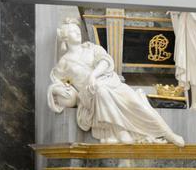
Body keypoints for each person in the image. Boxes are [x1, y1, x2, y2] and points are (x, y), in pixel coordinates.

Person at [47, 19, 185, 146]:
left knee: (136, 102)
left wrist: (94, 75)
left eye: (77, 30)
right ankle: (120, 131)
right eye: (72, 31)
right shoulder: (64, 63)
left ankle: (167, 133)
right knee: (101, 91)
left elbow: (105, 61)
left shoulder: (91, 48)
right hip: (90, 94)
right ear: (65, 37)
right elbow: (56, 84)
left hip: (111, 82)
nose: (77, 33)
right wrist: (56, 90)